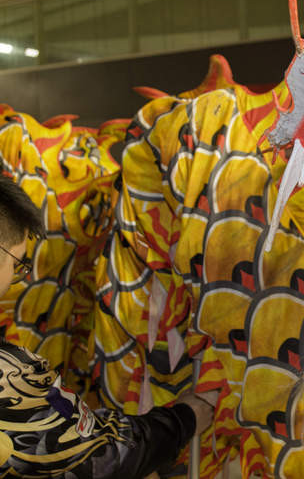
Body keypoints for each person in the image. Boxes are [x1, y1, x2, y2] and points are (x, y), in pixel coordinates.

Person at [0, 174, 215, 478]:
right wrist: (184, 419)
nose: (15, 280)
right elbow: (92, 455)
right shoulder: (11, 377)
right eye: (18, 265)